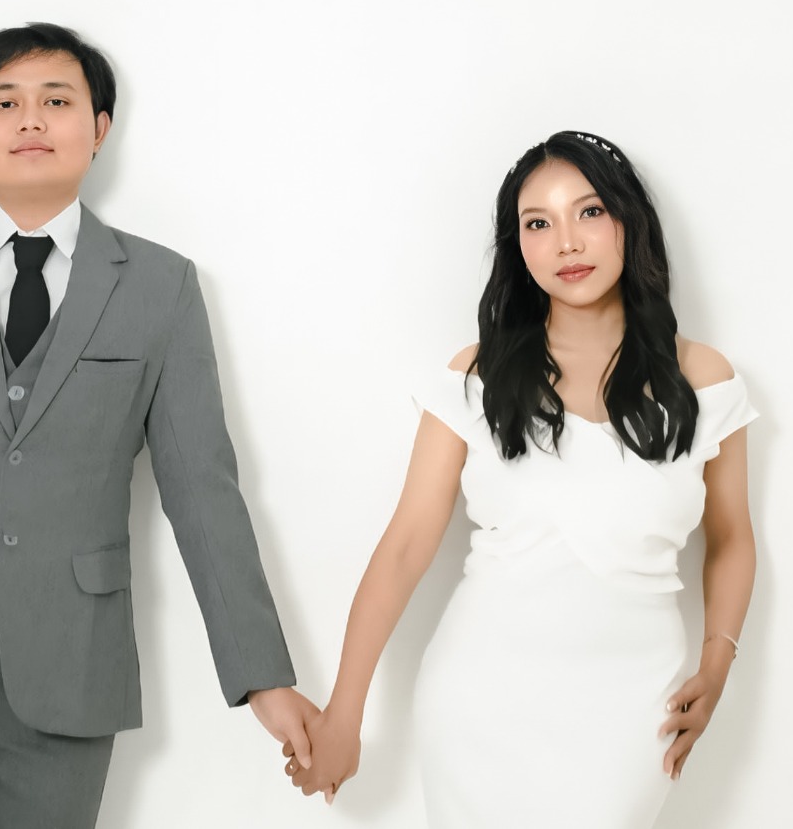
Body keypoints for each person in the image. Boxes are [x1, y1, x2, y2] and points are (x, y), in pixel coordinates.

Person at [0, 22, 318, 828]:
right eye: (4, 102)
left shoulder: (161, 287)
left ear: (99, 128)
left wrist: (262, 676)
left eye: (57, 101)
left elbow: (202, 490)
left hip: (69, 671)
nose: (31, 119)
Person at [288, 132, 759, 826]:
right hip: (480, 702)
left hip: (633, 710)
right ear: (518, 246)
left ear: (628, 221)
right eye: (538, 223)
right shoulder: (477, 375)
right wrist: (343, 715)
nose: (566, 242)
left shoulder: (703, 379)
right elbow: (405, 546)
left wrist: (717, 665)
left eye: (589, 212)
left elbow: (732, 537)